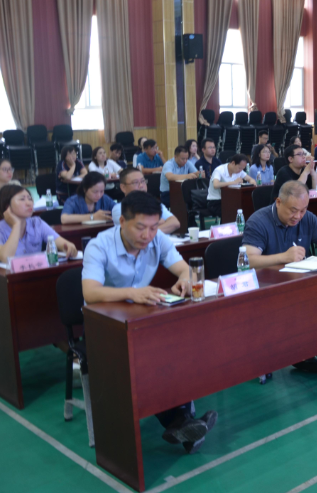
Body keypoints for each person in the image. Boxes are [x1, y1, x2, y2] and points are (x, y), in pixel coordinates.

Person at [82, 191, 218, 454]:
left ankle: (182, 423)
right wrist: (131, 293)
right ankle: (183, 422)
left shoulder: (158, 239)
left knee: (180, 347)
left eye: (154, 227)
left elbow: (184, 269)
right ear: (122, 221)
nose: (147, 235)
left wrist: (185, 280)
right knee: (151, 359)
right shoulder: (99, 246)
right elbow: (90, 292)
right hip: (105, 327)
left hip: (143, 319)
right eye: (140, 227)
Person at [241, 180, 317, 373]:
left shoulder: (307, 218)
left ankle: (316, 350)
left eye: (303, 210)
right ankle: (300, 351)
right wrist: (283, 257)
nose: (298, 216)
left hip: (299, 282)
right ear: (278, 202)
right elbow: (248, 260)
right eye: (293, 210)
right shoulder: (258, 221)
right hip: (266, 287)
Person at [0, 185, 78, 264]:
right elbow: (5, 258)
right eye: (22, 199)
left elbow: (63, 243)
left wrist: (69, 247)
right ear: (7, 206)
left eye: (30, 199)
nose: (29, 203)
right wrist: (16, 225)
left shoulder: (37, 223)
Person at [111, 167, 181, 234]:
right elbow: (136, 232)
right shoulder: (119, 208)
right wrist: (160, 222)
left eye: (143, 181)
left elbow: (175, 223)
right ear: (123, 187)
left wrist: (151, 230)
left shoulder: (155, 204)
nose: (141, 185)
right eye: (135, 182)